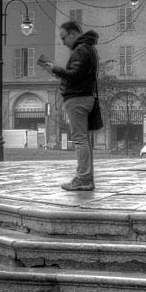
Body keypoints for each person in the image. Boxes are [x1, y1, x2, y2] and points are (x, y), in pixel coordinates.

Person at [39, 20, 99, 191]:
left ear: (73, 34)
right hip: (84, 96)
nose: (63, 42)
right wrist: (57, 71)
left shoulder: (80, 50)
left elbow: (74, 75)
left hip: (78, 99)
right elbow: (76, 75)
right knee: (84, 140)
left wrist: (56, 69)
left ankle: (84, 178)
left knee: (79, 140)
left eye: (64, 38)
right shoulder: (87, 48)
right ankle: (86, 177)